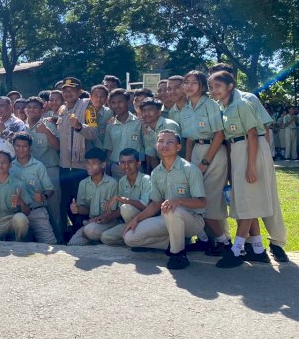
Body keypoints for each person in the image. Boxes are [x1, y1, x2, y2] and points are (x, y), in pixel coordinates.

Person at [207, 63, 288, 262]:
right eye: (211, 84)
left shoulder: (245, 100)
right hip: (238, 150)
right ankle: (258, 248)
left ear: (231, 82)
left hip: (252, 149)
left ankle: (248, 247)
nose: (214, 89)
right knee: (246, 199)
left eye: (218, 83)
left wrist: (257, 163)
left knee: (258, 199)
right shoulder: (221, 105)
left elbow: (256, 133)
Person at [123, 130, 206, 270]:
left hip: (192, 221)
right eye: (161, 141)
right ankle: (171, 242)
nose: (164, 145)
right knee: (130, 238)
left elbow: (202, 202)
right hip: (167, 219)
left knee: (174, 209)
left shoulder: (190, 170)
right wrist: (136, 219)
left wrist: (179, 201)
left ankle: (178, 254)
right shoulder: (156, 172)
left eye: (169, 142)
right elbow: (156, 203)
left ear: (178, 147)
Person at [180, 71, 230, 255]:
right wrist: (187, 163)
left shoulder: (210, 105)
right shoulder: (185, 110)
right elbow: (190, 139)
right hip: (195, 152)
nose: (190, 86)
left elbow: (219, 134)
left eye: (195, 82)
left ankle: (224, 243)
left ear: (202, 87)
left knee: (208, 201)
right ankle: (205, 240)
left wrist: (205, 161)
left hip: (214, 153)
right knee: (194, 197)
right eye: (186, 82)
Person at [56, 77, 98, 240]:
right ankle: (71, 233)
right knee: (66, 201)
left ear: (80, 92)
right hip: (65, 165)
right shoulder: (61, 109)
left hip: (82, 165)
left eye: (72, 90)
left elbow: (94, 133)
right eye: (65, 90)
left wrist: (79, 126)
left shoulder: (88, 107)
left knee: (81, 202)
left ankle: (83, 233)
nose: (68, 93)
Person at [24, 96, 62, 240]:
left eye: (35, 107)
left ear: (42, 110)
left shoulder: (49, 125)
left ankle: (59, 238)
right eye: (29, 107)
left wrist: (46, 131)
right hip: (30, 172)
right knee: (34, 205)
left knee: (54, 208)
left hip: (49, 169)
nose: (31, 110)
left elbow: (58, 146)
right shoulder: (23, 126)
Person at [9, 132, 57, 244]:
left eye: (24, 146)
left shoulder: (38, 166)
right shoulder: (9, 165)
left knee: (50, 244)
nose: (21, 149)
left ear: (30, 147)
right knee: (15, 244)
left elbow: (50, 189)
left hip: (36, 211)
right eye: (17, 146)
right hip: (16, 213)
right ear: (13, 146)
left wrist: (43, 196)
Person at [99, 149, 152, 246]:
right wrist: (108, 218)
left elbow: (145, 206)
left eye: (130, 162)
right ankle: (132, 239)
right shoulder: (122, 181)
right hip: (129, 222)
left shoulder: (147, 180)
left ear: (138, 163)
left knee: (126, 208)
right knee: (105, 237)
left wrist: (121, 199)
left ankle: (136, 238)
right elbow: (120, 210)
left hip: (144, 221)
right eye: (123, 162)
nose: (126, 166)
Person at [67, 148, 119, 245]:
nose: (89, 166)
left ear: (103, 164)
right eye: (87, 163)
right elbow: (86, 209)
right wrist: (77, 209)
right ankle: (95, 238)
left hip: (108, 221)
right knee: (72, 244)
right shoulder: (83, 183)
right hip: (91, 222)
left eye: (94, 163)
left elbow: (113, 211)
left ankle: (99, 238)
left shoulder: (112, 183)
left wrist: (95, 220)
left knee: (89, 230)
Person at [0, 150, 30, 242]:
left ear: (10, 165)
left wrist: (21, 202)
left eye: (4, 162)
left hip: (13, 221)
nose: (0, 165)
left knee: (21, 218)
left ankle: (19, 242)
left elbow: (27, 212)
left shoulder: (19, 184)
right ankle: (5, 237)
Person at [103, 88, 143, 179]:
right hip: (117, 169)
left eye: (120, 102)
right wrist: (108, 170)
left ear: (128, 102)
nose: (117, 105)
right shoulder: (110, 125)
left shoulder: (139, 122)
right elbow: (109, 150)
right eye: (113, 102)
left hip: (137, 168)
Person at [140, 98, 180, 170]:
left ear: (159, 112)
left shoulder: (169, 125)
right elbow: (152, 154)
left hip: (178, 165)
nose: (146, 113)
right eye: (144, 111)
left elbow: (174, 152)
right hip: (164, 166)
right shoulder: (147, 129)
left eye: (150, 110)